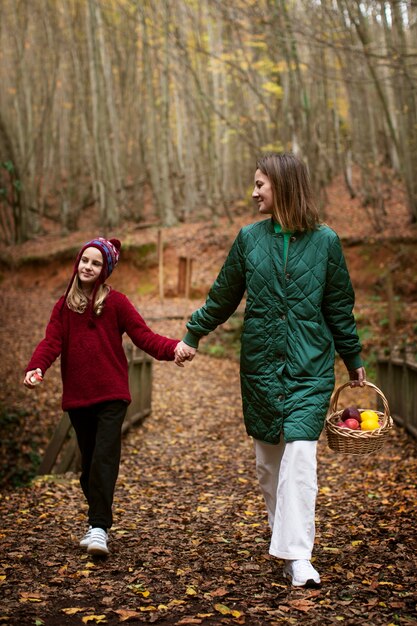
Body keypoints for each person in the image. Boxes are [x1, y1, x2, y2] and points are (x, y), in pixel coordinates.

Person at [175, 152, 366, 587]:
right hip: (261, 367)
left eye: (260, 183)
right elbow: (223, 295)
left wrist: (353, 359)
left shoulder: (326, 242)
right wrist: (192, 335)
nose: (254, 191)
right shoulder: (248, 239)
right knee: (269, 464)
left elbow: (338, 307)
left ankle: (297, 557)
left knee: (300, 457)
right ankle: (287, 541)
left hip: (310, 366)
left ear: (282, 185)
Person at [24, 237, 186, 556]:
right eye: (85, 260)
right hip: (78, 399)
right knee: (88, 468)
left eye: (96, 263)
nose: (88, 266)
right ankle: (95, 522)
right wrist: (36, 367)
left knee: (104, 458)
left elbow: (144, 336)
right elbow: (51, 342)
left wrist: (174, 349)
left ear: (105, 270)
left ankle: (99, 528)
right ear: (78, 262)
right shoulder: (63, 306)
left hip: (112, 395)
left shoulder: (117, 303)